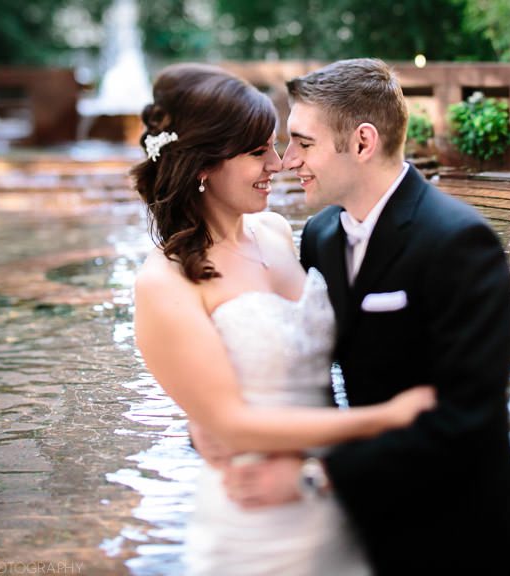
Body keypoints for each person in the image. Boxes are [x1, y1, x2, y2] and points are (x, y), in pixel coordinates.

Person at [207, 58, 510, 575]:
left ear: (363, 143)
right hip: (366, 528)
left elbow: (468, 419)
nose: (288, 160)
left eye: (304, 142)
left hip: (460, 534)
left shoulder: (459, 242)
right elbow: (294, 355)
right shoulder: (320, 237)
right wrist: (214, 420)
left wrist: (312, 478)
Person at [130, 62, 436, 576]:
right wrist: (388, 420)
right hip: (258, 518)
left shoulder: (277, 232)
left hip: (333, 495)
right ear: (204, 164)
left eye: (277, 146)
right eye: (258, 152)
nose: (279, 163)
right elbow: (230, 420)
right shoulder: (162, 283)